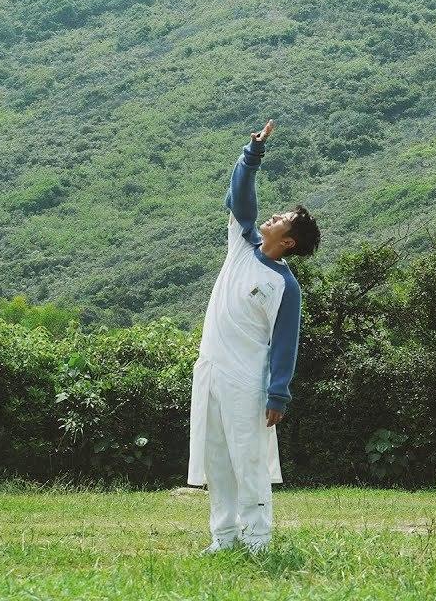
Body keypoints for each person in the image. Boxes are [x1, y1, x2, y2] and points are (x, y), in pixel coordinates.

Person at [186, 119, 321, 555]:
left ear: (289, 243)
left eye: (283, 220)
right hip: (211, 369)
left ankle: (257, 538)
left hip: (247, 380)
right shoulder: (242, 243)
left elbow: (285, 344)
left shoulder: (286, 286)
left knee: (248, 459)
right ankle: (223, 538)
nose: (273, 217)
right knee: (216, 459)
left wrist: (278, 394)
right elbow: (241, 196)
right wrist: (253, 154)